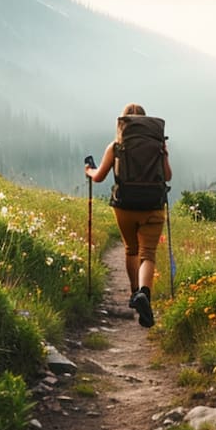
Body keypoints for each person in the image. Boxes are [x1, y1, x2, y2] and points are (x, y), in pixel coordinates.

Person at [84, 103, 172, 328]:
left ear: (123, 122)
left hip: (125, 204)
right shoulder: (158, 145)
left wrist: (89, 170)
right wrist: (164, 155)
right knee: (148, 254)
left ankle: (135, 294)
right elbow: (168, 176)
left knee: (131, 249)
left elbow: (99, 177)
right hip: (153, 204)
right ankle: (145, 293)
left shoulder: (116, 146)